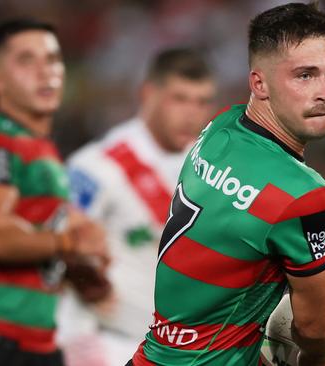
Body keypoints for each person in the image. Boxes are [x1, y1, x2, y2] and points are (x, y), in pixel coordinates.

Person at [126, 2, 325, 366]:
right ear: (259, 83)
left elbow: (235, 240)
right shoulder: (304, 194)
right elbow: (316, 332)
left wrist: (300, 281)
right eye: (304, 75)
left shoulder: (220, 128)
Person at [0, 18, 108, 366]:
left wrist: (78, 270)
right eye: (27, 61)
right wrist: (68, 243)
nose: (45, 72)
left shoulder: (40, 150)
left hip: (36, 345)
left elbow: (34, 238)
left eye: (52, 59)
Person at [56, 48, 216, 366]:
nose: (191, 113)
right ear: (148, 94)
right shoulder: (99, 165)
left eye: (201, 101)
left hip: (172, 347)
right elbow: (56, 238)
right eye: (179, 99)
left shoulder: (208, 168)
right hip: (105, 343)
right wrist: (84, 274)